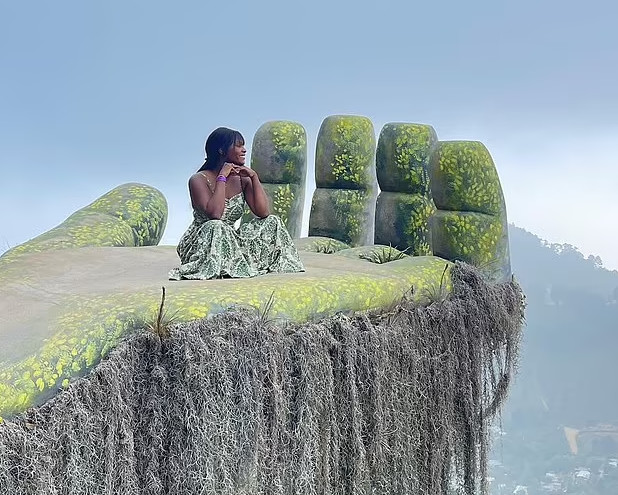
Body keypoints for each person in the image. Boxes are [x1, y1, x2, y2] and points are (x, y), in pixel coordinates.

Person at [169, 127, 305, 280]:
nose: (244, 150)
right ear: (221, 150)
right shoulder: (198, 179)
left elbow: (263, 212)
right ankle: (220, 266)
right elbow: (215, 214)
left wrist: (254, 177)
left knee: (273, 221)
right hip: (204, 241)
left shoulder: (242, 179)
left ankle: (242, 263)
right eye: (239, 146)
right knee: (216, 226)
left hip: (230, 238)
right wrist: (222, 177)